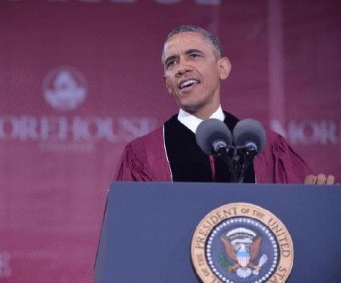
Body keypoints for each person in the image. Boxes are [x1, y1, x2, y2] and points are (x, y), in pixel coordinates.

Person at [114, 25, 335, 185]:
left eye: (194, 55)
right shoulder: (143, 155)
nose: (182, 68)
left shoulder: (267, 148)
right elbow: (129, 233)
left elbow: (296, 222)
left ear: (223, 68)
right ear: (168, 85)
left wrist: (317, 199)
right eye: (172, 62)